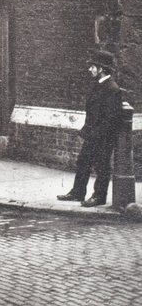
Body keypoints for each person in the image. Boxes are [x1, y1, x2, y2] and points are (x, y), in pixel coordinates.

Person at [57, 48, 124, 207]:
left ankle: (99, 197)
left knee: (102, 167)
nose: (90, 69)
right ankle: (77, 192)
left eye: (93, 67)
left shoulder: (112, 89)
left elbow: (110, 119)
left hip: (103, 137)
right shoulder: (98, 85)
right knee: (83, 162)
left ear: (101, 69)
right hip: (92, 134)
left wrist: (97, 135)